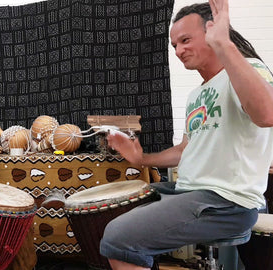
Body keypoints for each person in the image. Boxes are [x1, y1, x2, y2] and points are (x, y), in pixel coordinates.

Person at [99, 0, 273, 269]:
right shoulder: (197, 95)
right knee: (112, 207)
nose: (179, 50)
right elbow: (184, 150)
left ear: (213, 31)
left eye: (185, 40)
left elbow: (267, 115)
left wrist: (224, 45)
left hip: (226, 202)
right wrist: (141, 158)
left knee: (119, 237)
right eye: (175, 45)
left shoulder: (250, 70)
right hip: (189, 192)